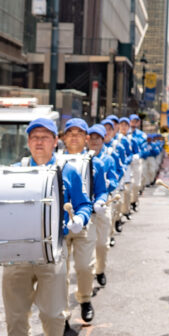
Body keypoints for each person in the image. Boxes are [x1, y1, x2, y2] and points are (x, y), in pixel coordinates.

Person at [0, 117, 91, 336]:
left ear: (55, 141)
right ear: (28, 142)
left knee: (53, 314)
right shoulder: (12, 172)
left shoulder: (67, 172)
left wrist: (81, 218)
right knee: (16, 317)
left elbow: (84, 203)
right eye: (34, 137)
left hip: (52, 254)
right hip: (16, 257)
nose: (39, 141)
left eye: (45, 136)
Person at [57, 119, 100, 323]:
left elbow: (101, 191)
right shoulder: (54, 161)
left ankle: (84, 298)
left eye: (79, 132)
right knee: (60, 272)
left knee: (84, 266)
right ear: (64, 137)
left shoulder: (94, 162)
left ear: (86, 138)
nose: (74, 136)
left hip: (84, 221)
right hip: (58, 224)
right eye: (70, 132)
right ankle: (62, 313)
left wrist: (99, 202)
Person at [86, 124, 116, 288]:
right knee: (87, 245)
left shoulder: (109, 159)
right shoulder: (82, 158)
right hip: (86, 208)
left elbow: (115, 179)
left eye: (98, 138)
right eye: (91, 137)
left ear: (103, 140)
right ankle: (87, 278)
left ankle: (100, 270)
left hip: (104, 204)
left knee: (102, 244)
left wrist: (108, 184)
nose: (94, 141)